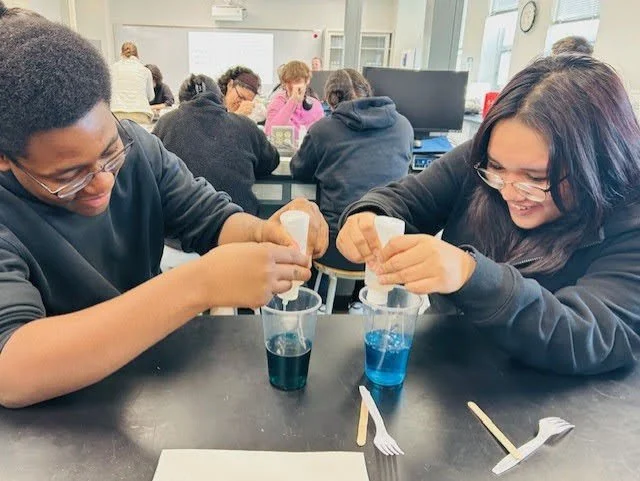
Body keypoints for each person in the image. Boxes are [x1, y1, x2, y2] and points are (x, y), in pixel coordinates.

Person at [0, 9, 328, 408]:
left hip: (150, 391)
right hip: (57, 420)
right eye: (70, 175)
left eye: (109, 153)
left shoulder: (138, 148)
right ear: (6, 158)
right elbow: (12, 370)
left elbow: (212, 217)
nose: (104, 182)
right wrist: (199, 285)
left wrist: (263, 231)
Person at [337, 54, 640, 375]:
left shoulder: (628, 221)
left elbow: (592, 337)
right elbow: (408, 199)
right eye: (496, 169)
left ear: (596, 164)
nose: (508, 191)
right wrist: (367, 216)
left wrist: (471, 275)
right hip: (448, 377)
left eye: (536, 179)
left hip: (547, 399)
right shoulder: (480, 159)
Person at [291, 69, 412, 270]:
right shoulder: (404, 126)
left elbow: (299, 169)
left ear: (330, 100)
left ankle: (323, 298)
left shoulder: (322, 130)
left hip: (337, 247)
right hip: (389, 246)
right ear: (368, 92)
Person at [153, 74, 279, 216]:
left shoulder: (165, 124)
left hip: (182, 230)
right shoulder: (245, 125)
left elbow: (150, 168)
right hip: (238, 226)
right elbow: (271, 161)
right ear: (220, 97)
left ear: (181, 100)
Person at [265, 61, 324, 142]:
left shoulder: (315, 105)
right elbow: (270, 132)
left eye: (297, 81)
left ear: (307, 82)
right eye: (289, 83)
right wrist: (293, 101)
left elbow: (321, 135)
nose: (293, 87)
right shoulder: (277, 102)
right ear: (284, 84)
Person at [110, 41, 154, 123]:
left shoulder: (112, 69)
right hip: (140, 113)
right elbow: (150, 97)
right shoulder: (145, 71)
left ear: (121, 53)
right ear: (137, 54)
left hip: (117, 114)